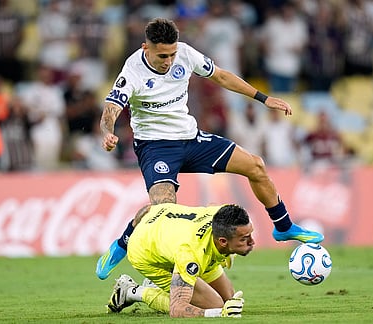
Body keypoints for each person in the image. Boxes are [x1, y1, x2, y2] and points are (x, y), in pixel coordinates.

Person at [96, 18, 323, 281]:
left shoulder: (185, 53)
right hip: (156, 146)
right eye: (162, 56)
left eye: (172, 54)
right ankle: (121, 245)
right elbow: (111, 108)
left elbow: (221, 76)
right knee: (161, 211)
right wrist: (107, 132)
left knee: (256, 166)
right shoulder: (132, 71)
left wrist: (264, 98)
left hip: (191, 138)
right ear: (145, 47)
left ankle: (283, 227)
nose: (168, 61)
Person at [106, 203, 251, 318]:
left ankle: (167, 283)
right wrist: (218, 314)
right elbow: (177, 309)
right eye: (244, 239)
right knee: (215, 305)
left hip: (161, 217)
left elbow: (148, 208)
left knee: (229, 299)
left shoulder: (224, 216)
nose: (252, 242)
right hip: (145, 251)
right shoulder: (190, 254)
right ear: (223, 241)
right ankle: (130, 291)